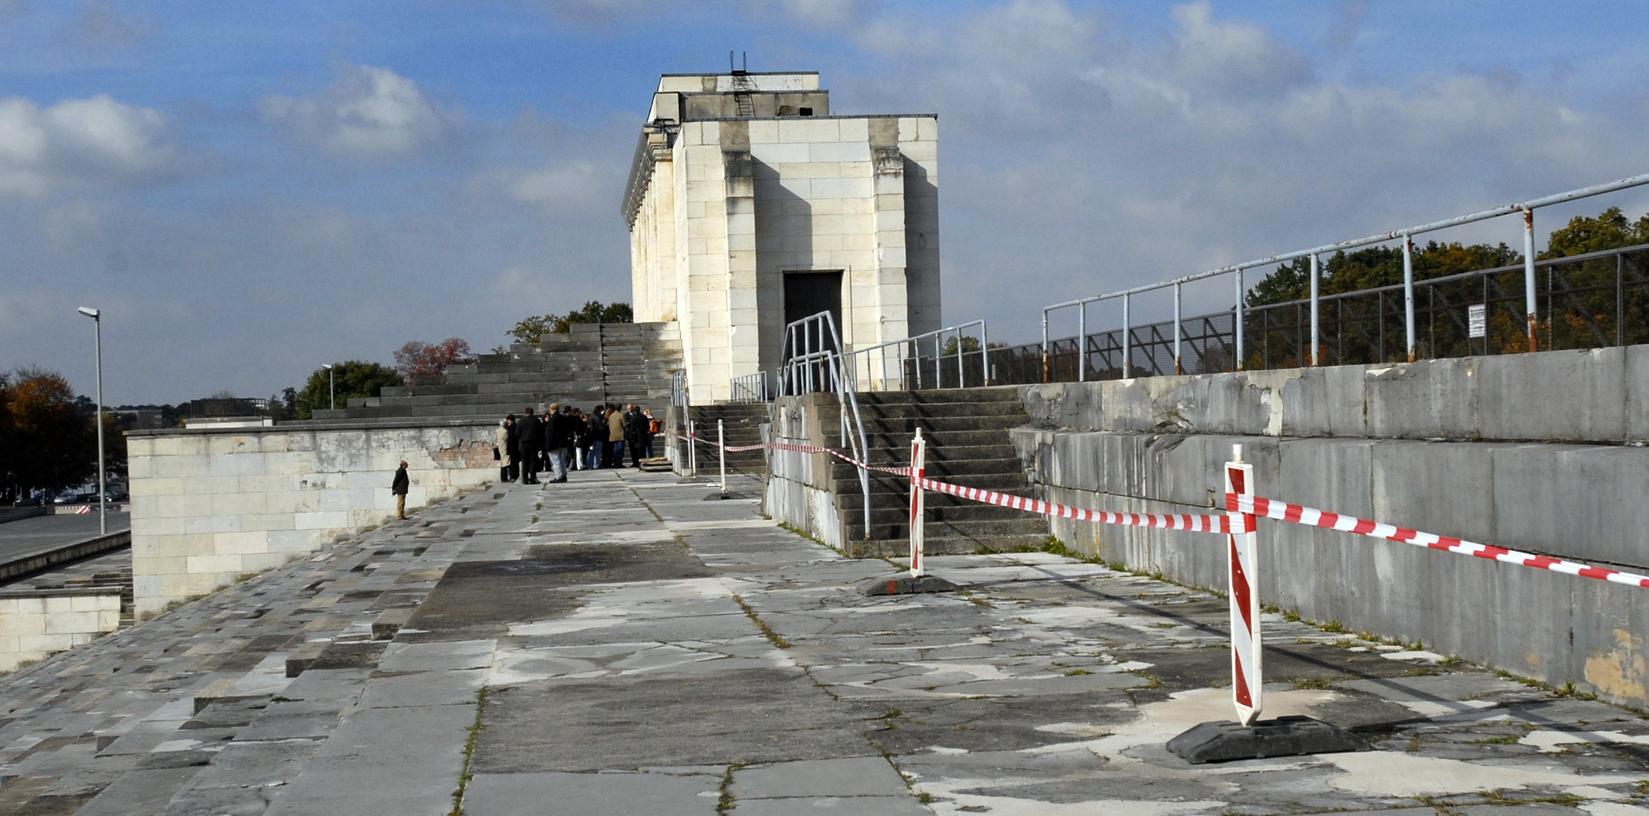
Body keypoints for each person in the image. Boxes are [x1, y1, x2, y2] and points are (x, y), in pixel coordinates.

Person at [545, 403, 572, 483]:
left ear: (551, 409)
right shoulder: (562, 417)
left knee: (556, 461)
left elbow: (550, 433)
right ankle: (563, 475)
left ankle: (559, 476)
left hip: (554, 443)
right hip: (563, 442)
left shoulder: (553, 419)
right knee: (562, 461)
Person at [517, 406, 543, 484]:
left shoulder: (521, 421)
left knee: (524, 461)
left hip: (524, 443)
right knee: (533, 461)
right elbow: (540, 432)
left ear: (525, 413)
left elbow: (517, 433)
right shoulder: (536, 420)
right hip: (534, 443)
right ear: (532, 412)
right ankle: (532, 478)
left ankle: (524, 479)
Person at [624, 404, 646, 468]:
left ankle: (639, 463)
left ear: (633, 409)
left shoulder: (635, 417)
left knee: (639, 450)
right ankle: (635, 462)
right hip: (634, 436)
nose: (629, 409)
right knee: (634, 450)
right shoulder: (626, 415)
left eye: (630, 408)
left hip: (635, 435)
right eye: (628, 408)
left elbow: (632, 427)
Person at [497, 415, 516, 483]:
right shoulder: (505, 431)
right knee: (506, 463)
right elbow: (507, 438)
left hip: (500, 447)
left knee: (503, 463)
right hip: (505, 448)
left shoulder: (498, 430)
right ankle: (504, 478)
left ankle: (504, 477)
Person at [606, 402, 625, 468]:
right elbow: (624, 424)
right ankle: (618, 463)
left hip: (612, 435)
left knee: (615, 450)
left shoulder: (611, 415)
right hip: (620, 435)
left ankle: (616, 463)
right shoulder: (621, 415)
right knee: (620, 450)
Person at [589, 405, 608, 469]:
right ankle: (596, 464)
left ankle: (591, 464)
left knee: (592, 452)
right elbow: (601, 427)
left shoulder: (592, 416)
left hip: (593, 436)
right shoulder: (597, 418)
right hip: (598, 436)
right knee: (597, 452)